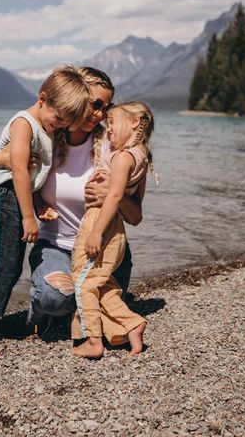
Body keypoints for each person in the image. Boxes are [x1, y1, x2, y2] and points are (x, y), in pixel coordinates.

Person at [0, 67, 143, 339]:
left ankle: (80, 308)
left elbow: (135, 216)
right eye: (94, 104)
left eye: (106, 109)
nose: (98, 115)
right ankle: (52, 310)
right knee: (54, 299)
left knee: (100, 303)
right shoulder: (44, 137)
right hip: (55, 248)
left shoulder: (114, 148)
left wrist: (111, 195)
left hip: (103, 253)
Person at [0, 66, 90, 359]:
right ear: (42, 98)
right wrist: (28, 217)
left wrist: (37, 206)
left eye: (65, 123)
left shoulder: (46, 129)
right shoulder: (24, 123)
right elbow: (19, 170)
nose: (59, 125)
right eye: (58, 118)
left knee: (9, 265)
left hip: (16, 200)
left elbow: (32, 178)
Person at [71, 101, 156, 359]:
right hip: (113, 228)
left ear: (134, 123)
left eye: (111, 123)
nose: (107, 130)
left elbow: (115, 194)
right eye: (106, 125)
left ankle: (93, 339)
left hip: (102, 223)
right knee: (101, 284)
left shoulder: (123, 156)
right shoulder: (139, 155)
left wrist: (96, 231)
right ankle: (130, 324)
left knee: (83, 282)